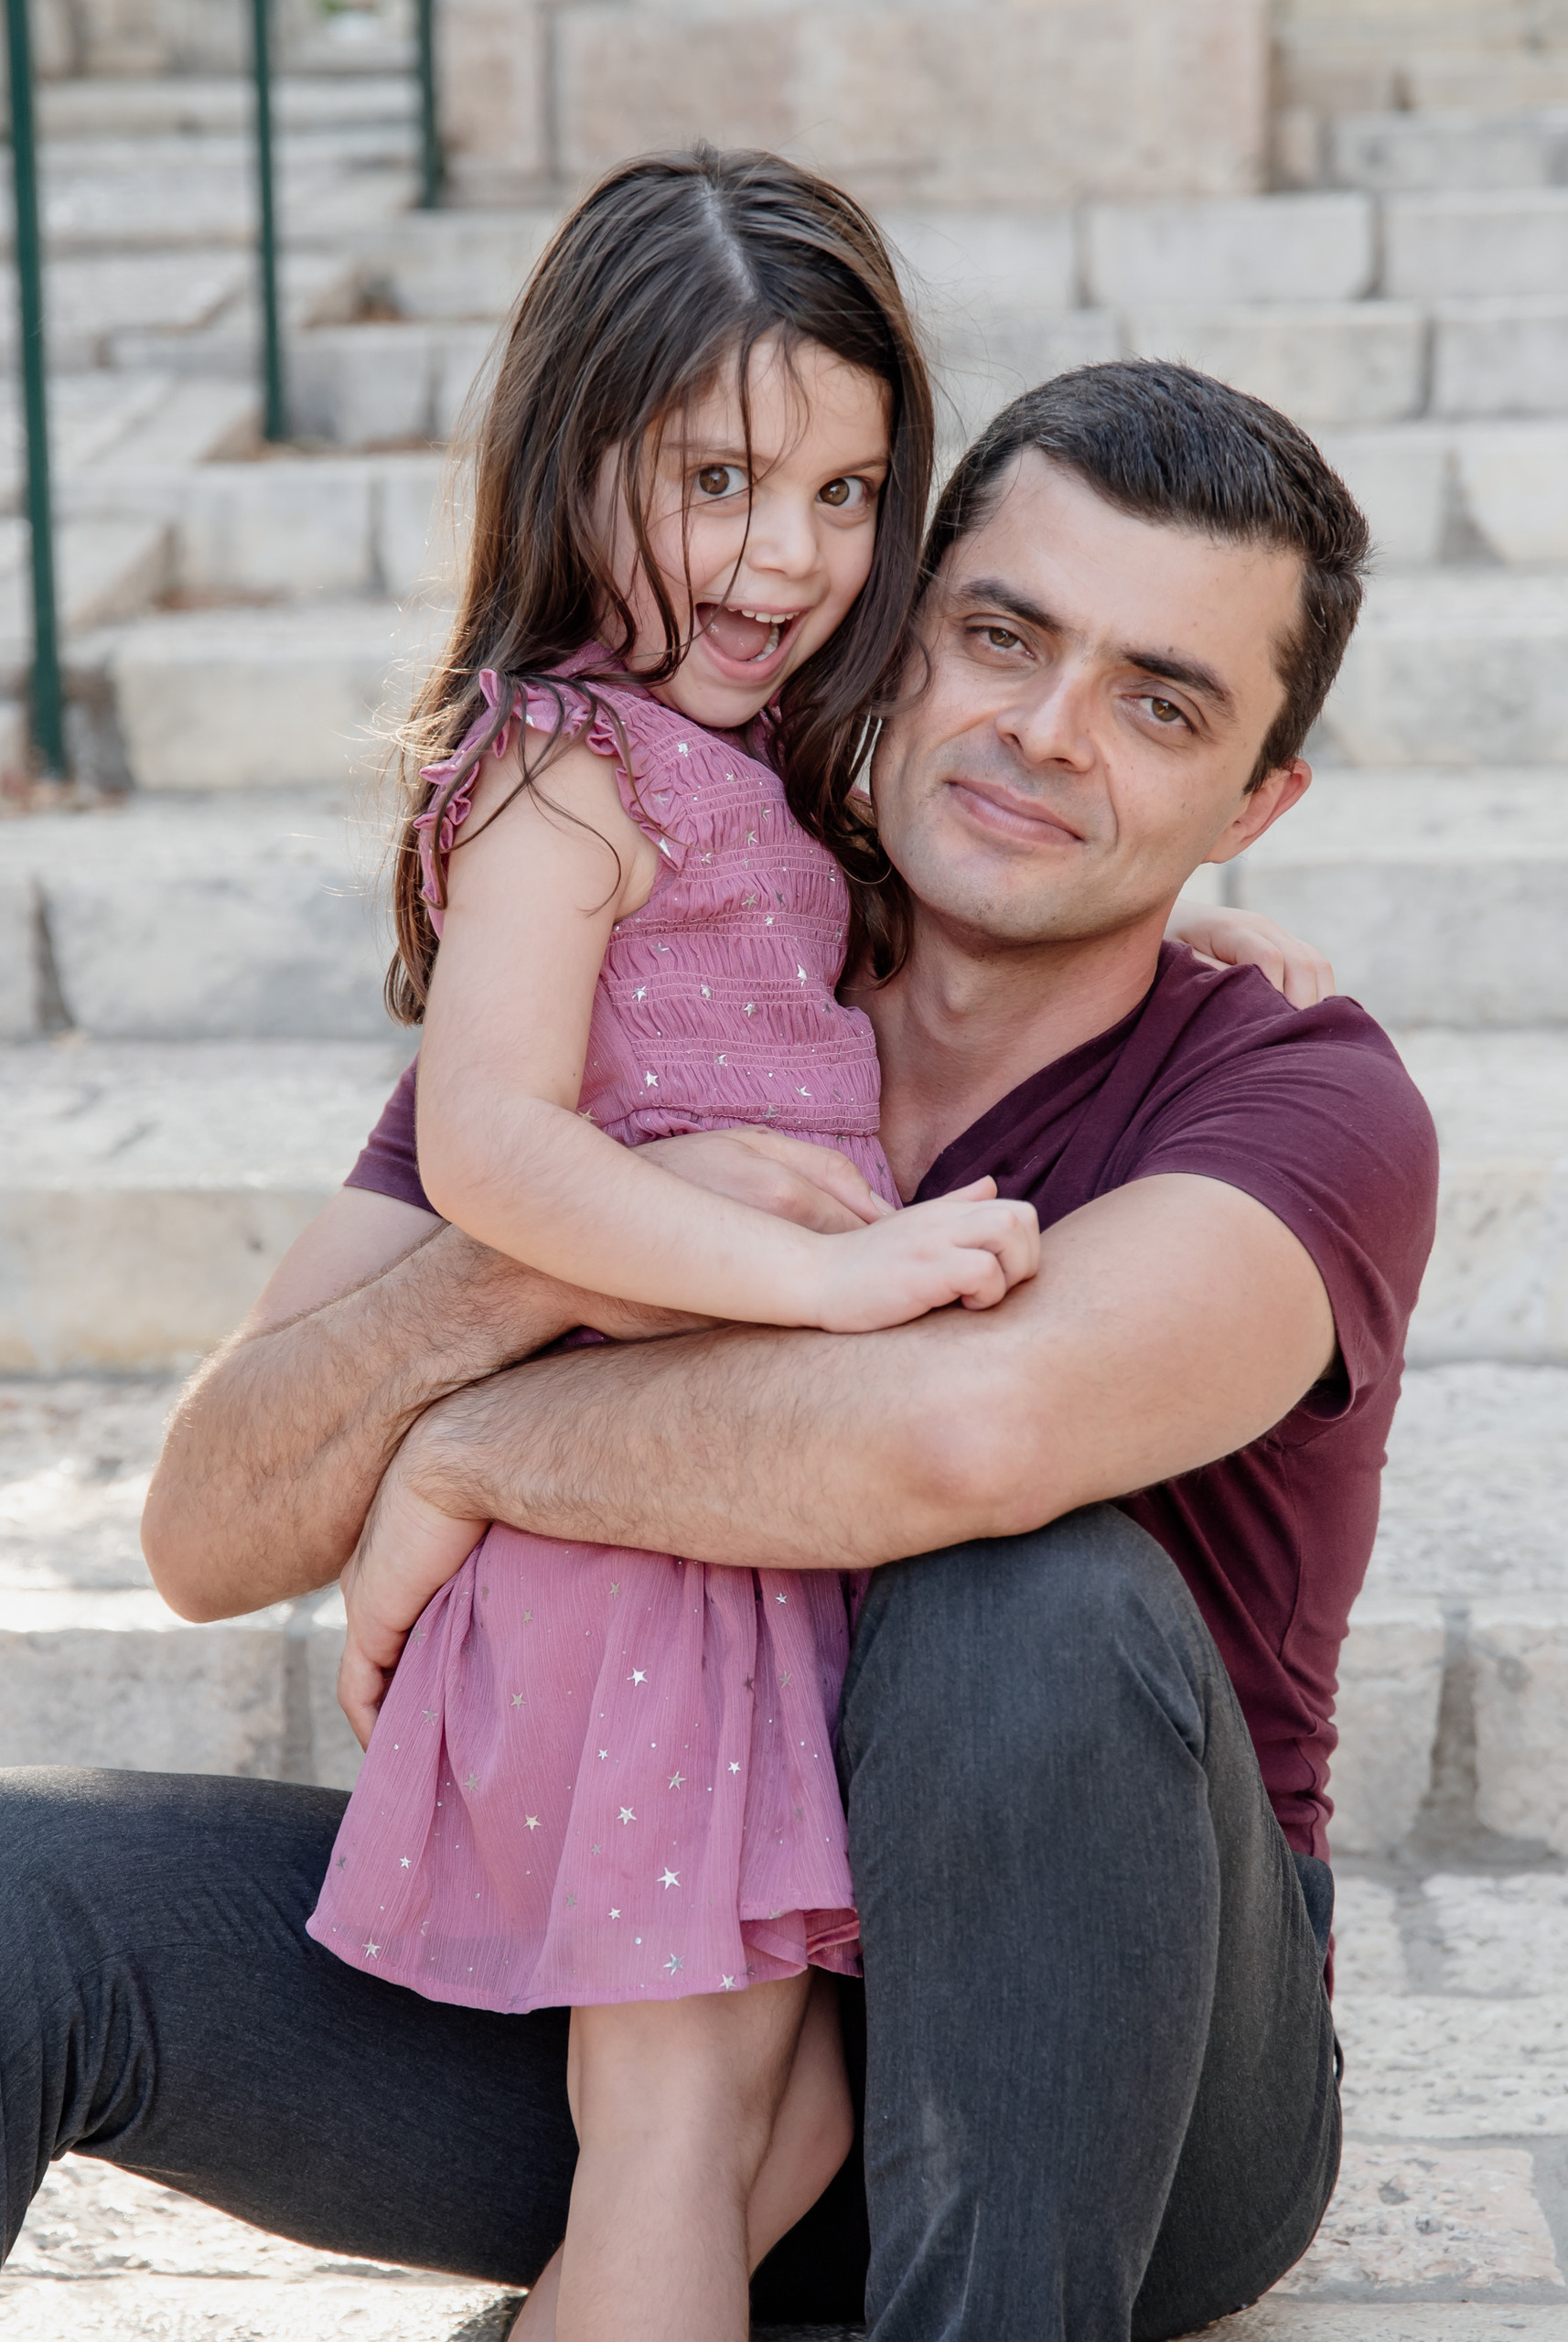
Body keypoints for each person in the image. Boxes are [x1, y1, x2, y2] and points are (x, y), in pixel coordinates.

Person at [0, 350, 1430, 2342]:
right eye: (1001, 632)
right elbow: (212, 1523)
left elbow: (964, 1434)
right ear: (898, 632)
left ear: (1257, 799)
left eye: (1157, 702)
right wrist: (510, 1269)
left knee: (1034, 1598)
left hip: (1134, 2095)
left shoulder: (1292, 1098)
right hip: (648, 2006)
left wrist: (476, 1449)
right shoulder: (645, 993)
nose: (1044, 731)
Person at [305, 149, 1045, 2342]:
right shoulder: (552, 771)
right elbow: (499, 1148)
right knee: (667, 2121)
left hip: (726, 1527)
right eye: (715, 478)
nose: (782, 556)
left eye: (840, 493)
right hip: (621, 1554)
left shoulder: (761, 777)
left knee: (784, 2107)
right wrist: (823, 1284)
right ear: (572, 457)